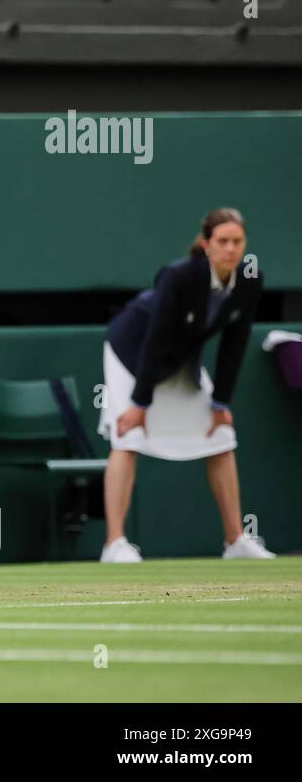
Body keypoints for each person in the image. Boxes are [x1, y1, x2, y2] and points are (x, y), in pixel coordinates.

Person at [97, 207, 275, 563]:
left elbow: (235, 341)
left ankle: (235, 541)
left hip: (181, 360)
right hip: (132, 353)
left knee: (221, 436)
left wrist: (222, 403)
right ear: (207, 244)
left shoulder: (249, 280)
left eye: (237, 242)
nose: (231, 249)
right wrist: (140, 404)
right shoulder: (178, 276)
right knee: (127, 436)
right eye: (222, 241)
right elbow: (156, 337)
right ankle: (114, 544)